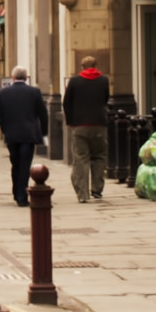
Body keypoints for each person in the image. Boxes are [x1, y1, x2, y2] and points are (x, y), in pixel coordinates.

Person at [0, 66, 47, 207]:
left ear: (13, 77)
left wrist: (6, 130)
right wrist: (43, 132)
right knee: (25, 165)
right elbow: (42, 114)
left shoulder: (3, 93)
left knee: (15, 164)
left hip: (12, 135)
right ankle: (21, 196)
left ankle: (16, 192)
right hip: (28, 135)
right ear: (25, 77)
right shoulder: (34, 92)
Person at [63, 57, 113, 203]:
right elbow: (105, 99)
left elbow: (67, 103)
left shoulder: (74, 81)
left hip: (80, 125)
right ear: (96, 65)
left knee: (81, 158)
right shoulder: (104, 80)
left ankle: (83, 194)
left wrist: (71, 121)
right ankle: (97, 189)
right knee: (99, 156)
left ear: (82, 66)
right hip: (99, 124)